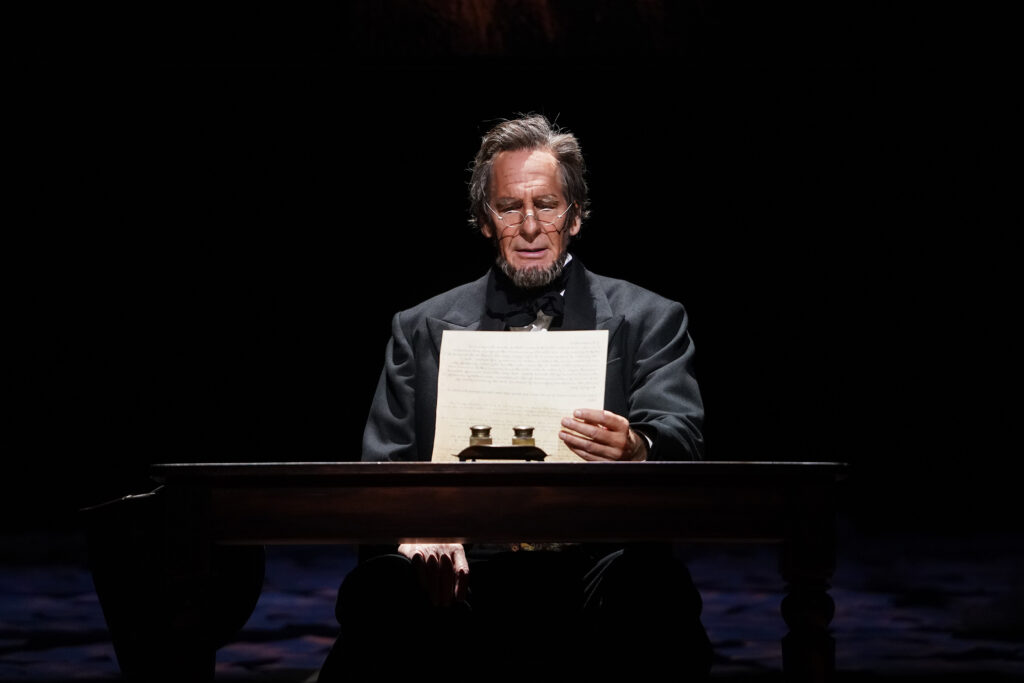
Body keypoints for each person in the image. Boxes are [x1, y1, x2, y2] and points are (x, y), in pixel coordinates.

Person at [318, 114, 712, 679]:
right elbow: (383, 469)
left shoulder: (650, 318)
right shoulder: (421, 326)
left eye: (547, 205)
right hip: (462, 572)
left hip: (596, 565)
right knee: (383, 588)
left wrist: (638, 447)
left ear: (574, 217)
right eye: (509, 207)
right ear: (484, 220)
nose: (530, 225)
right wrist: (417, 532)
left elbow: (682, 440)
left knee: (653, 588)